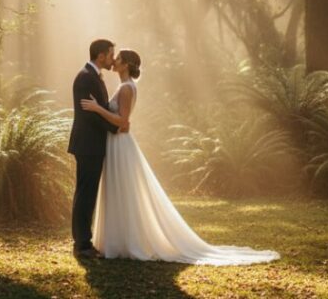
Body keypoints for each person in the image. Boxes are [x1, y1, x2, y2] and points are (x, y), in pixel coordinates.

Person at [81, 48, 280, 265]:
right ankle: (117, 241)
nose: (114, 61)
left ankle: (126, 242)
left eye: (117, 58)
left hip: (121, 144)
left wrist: (97, 109)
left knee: (124, 190)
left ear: (126, 64)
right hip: (116, 144)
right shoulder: (123, 86)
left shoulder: (127, 89)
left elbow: (124, 123)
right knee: (118, 190)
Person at [67, 39, 127, 259]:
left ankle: (82, 241)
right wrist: (115, 126)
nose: (112, 59)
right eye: (111, 55)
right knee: (86, 193)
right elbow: (89, 114)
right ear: (101, 56)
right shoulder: (85, 78)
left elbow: (98, 109)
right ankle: (82, 244)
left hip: (92, 144)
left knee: (87, 192)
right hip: (88, 144)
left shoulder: (93, 76)